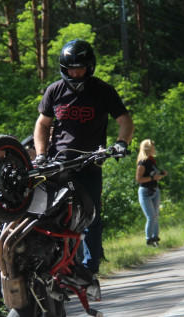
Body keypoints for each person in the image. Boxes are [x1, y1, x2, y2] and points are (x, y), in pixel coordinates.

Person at [33, 39, 133, 278]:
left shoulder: (103, 90)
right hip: (57, 163)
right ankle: (46, 263)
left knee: (91, 216)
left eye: (80, 68)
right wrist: (40, 155)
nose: (75, 72)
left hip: (89, 163)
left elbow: (125, 121)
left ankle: (89, 267)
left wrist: (121, 144)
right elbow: (42, 124)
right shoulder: (54, 91)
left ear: (90, 66)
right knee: (46, 214)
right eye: (70, 68)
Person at [135, 140, 167, 246]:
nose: (154, 148)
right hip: (145, 192)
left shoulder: (152, 160)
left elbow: (153, 177)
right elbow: (139, 179)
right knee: (151, 217)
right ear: (148, 148)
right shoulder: (142, 162)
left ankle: (155, 240)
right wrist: (153, 177)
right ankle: (149, 240)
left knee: (155, 216)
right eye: (153, 146)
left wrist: (161, 175)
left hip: (155, 190)